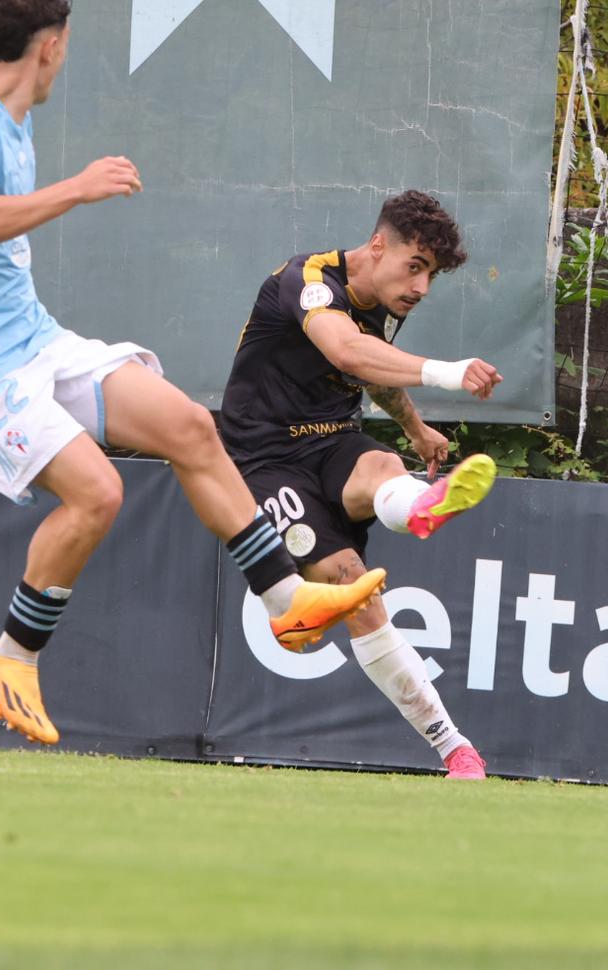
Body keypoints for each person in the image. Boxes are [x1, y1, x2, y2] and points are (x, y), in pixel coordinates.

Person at [0, 0, 384, 746]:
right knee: (96, 493)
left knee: (189, 426)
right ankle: (11, 655)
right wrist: (79, 189)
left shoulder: (7, 119)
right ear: (49, 49)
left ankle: (284, 597)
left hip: (32, 339)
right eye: (65, 50)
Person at [218, 190, 502, 779]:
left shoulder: (386, 304)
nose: (422, 287)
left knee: (381, 469)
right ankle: (454, 746)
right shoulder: (307, 279)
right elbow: (346, 351)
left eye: (432, 275)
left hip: (330, 440)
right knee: (353, 588)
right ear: (378, 245)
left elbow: (372, 371)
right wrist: (448, 374)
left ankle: (421, 506)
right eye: (415, 266)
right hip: (265, 457)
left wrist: (417, 429)